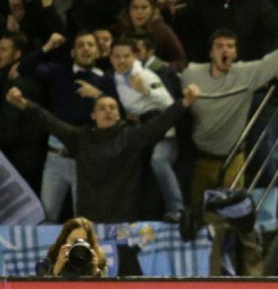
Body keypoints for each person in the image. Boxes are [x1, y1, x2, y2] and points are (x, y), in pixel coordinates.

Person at [180, 24, 278, 276]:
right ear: (210, 52)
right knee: (201, 221)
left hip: (232, 159)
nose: (225, 51)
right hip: (200, 160)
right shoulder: (191, 75)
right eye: (220, 46)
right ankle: (204, 276)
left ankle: (250, 277)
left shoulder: (245, 74)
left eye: (230, 46)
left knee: (238, 221)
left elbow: (270, 62)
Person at [5, 82, 199, 222]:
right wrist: (23, 104)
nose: (108, 111)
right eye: (102, 108)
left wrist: (184, 102)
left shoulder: (133, 138)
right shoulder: (80, 138)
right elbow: (49, 121)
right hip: (89, 222)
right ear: (93, 115)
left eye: (113, 108)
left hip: (124, 222)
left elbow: (161, 122)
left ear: (119, 114)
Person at [16, 30, 117, 222]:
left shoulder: (106, 81)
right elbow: (25, 68)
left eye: (90, 45)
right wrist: (48, 46)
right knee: (47, 217)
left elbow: (118, 115)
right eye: (80, 45)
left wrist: (98, 96)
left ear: (98, 51)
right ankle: (46, 253)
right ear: (72, 53)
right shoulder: (60, 73)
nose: (86, 49)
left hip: (86, 157)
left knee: (86, 218)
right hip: (56, 156)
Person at [109, 36, 184, 222]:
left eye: (126, 56)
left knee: (159, 160)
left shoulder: (145, 75)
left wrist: (147, 91)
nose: (121, 61)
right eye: (117, 57)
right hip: (139, 134)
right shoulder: (116, 80)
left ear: (135, 56)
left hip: (164, 133)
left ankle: (178, 209)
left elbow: (169, 104)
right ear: (110, 58)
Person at [0, 30, 44, 194]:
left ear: (17, 53)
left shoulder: (21, 81)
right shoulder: (6, 76)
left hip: (22, 159)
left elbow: (9, 123)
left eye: (3, 49)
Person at [110, 0, 185, 71]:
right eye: (135, 7)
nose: (139, 12)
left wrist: (162, 66)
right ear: (128, 10)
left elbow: (181, 61)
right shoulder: (119, 30)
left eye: (144, 7)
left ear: (152, 9)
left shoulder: (161, 30)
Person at [37, 216, 107, 277]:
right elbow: (45, 288)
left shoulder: (99, 262)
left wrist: (95, 270)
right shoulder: (48, 262)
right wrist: (58, 266)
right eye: (74, 241)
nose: (79, 244)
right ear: (64, 240)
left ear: (90, 243)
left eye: (84, 241)